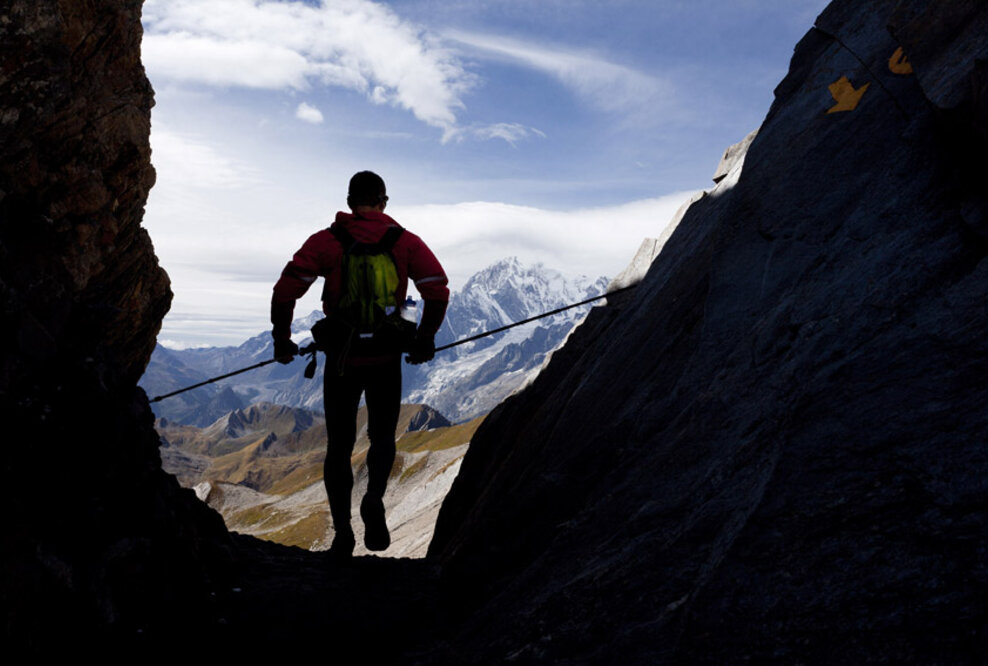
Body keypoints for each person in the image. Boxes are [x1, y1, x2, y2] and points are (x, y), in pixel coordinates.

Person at [270, 171, 449, 558]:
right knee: (382, 438)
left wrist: (281, 340)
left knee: (339, 446)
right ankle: (374, 498)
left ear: (350, 202)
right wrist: (424, 338)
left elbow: (284, 291)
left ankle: (343, 534)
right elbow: (436, 289)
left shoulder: (327, 241)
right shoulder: (405, 242)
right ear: (384, 201)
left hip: (342, 359)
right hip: (386, 357)